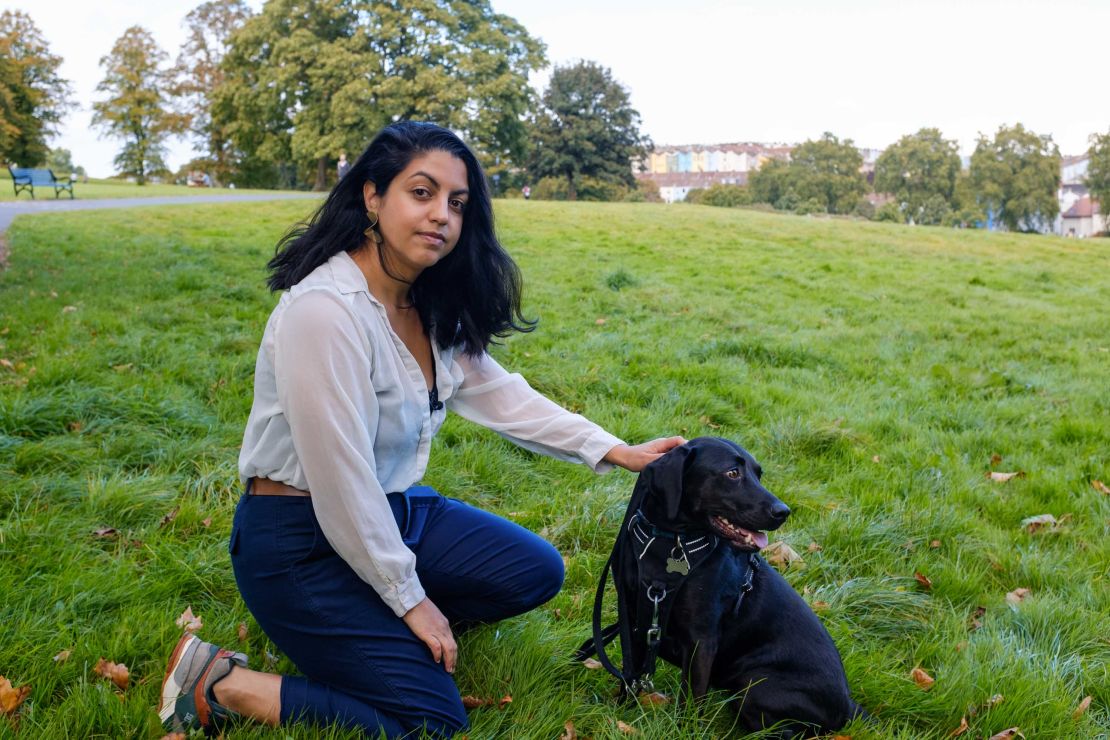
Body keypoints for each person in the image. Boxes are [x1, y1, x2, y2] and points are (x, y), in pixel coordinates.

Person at [157, 121, 683, 738]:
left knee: (536, 569)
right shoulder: (324, 313)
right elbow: (341, 482)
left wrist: (614, 450)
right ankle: (219, 683)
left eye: (457, 203)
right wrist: (410, 599)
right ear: (373, 197)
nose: (442, 216)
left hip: (388, 511)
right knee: (432, 723)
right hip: (295, 544)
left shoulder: (426, 302)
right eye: (422, 192)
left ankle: (383, 641)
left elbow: (499, 392)